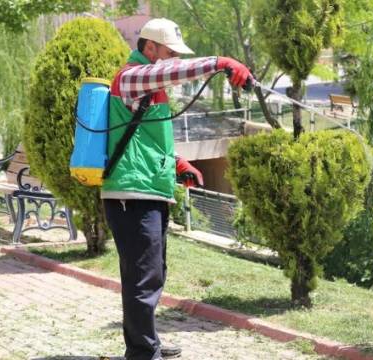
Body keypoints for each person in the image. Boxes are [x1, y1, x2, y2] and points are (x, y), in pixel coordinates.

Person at [102, 18, 251, 360]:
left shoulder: (150, 88)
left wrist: (177, 163)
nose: (171, 59)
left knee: (152, 273)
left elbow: (145, 137)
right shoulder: (131, 77)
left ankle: (146, 343)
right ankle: (142, 353)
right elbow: (170, 73)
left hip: (147, 190)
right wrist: (220, 63)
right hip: (132, 193)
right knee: (143, 278)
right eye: (168, 52)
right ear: (149, 47)